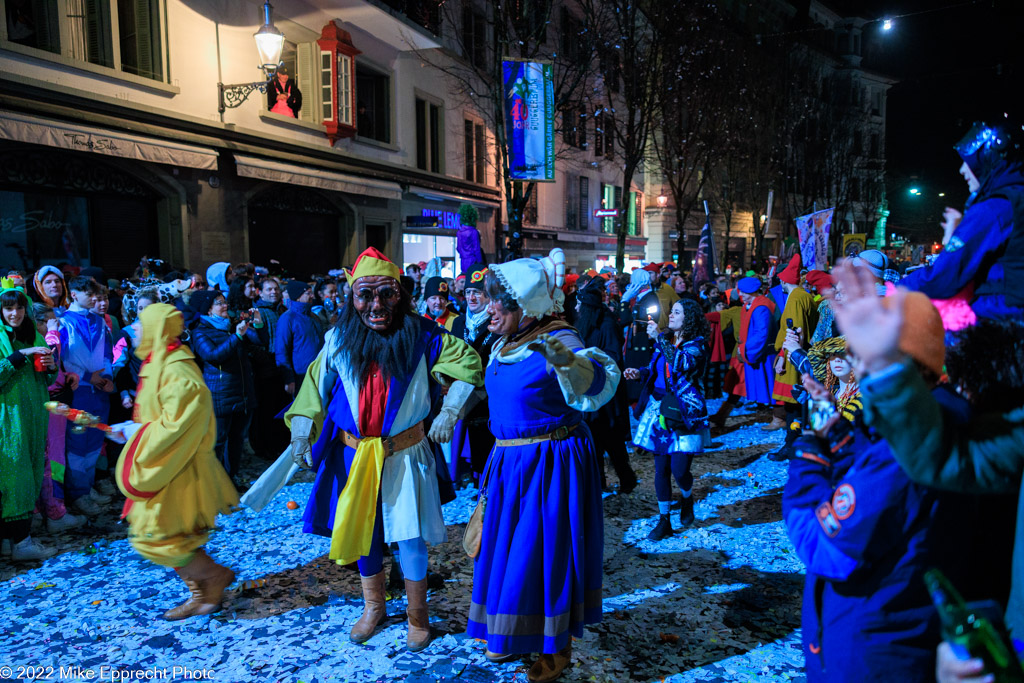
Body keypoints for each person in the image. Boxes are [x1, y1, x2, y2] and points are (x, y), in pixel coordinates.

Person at [827, 261, 1024, 679]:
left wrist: (809, 470)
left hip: (883, 631)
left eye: (866, 360)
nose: (857, 369)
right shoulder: (950, 425)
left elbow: (835, 541)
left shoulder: (951, 419)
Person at [286, 247, 483, 652]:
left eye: (386, 294)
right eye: (366, 294)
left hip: (405, 455)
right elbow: (313, 385)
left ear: (401, 295)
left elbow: (468, 363)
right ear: (351, 297)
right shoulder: (338, 338)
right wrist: (301, 430)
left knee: (409, 537)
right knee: (365, 533)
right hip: (354, 457)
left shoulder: (425, 335)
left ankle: (417, 617)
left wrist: (449, 410)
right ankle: (373, 607)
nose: (376, 305)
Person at [468, 248, 618, 682]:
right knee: (506, 551)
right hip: (509, 464)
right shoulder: (505, 340)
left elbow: (597, 381)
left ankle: (557, 645)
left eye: (501, 301)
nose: (490, 307)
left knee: (544, 553)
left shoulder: (557, 338)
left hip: (549, 467)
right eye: (490, 298)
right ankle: (511, 630)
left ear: (527, 306)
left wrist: (571, 363)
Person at [110, 303, 239, 620]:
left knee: (162, 536)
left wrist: (137, 433)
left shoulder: (177, 369)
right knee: (162, 535)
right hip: (165, 462)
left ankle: (213, 579)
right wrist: (133, 431)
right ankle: (203, 592)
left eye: (141, 323)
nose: (135, 329)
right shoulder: (157, 362)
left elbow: (181, 424)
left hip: (177, 467)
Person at [899, 120, 1024, 321]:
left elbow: (943, 277)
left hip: (1000, 323)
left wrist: (893, 290)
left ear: (989, 158)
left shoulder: (993, 210)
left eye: (970, 161)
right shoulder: (1016, 200)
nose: (962, 170)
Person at [626, 298, 710, 540]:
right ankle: (664, 521)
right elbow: (655, 368)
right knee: (661, 468)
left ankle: (687, 496)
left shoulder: (697, 344)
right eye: (671, 311)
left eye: (677, 312)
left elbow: (681, 363)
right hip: (659, 411)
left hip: (683, 413)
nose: (671, 316)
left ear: (689, 318)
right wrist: (639, 373)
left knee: (679, 469)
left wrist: (659, 339)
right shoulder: (666, 340)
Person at [0, 280, 58, 561]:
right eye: (8, 308)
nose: (14, 314)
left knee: (32, 470)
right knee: (13, 475)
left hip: (33, 416)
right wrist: (18, 356)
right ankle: (21, 543)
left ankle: (13, 539)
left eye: (19, 307)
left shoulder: (33, 334)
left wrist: (50, 367)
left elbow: (47, 375)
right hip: (8, 421)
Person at [189, 290, 265, 484]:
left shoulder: (231, 326)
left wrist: (256, 324)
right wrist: (236, 336)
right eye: (219, 303)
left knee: (238, 438)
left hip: (243, 391)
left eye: (225, 302)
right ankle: (215, 482)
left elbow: (260, 342)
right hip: (220, 394)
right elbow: (213, 356)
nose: (225, 306)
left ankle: (233, 477)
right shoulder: (200, 332)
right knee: (219, 440)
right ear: (208, 309)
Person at [59, 276, 114, 517]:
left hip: (99, 392)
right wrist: (85, 376)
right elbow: (63, 357)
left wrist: (108, 377)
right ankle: (78, 493)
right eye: (87, 293)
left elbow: (107, 355)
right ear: (73, 294)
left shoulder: (100, 321)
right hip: (78, 391)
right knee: (77, 444)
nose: (93, 297)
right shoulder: (62, 321)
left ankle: (87, 487)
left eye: (94, 293)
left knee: (94, 441)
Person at [576, 278, 637, 493]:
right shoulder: (584, 323)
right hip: (591, 390)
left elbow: (613, 357)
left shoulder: (607, 323)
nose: (576, 308)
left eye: (579, 305)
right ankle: (598, 480)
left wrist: (590, 363)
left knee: (611, 438)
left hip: (607, 391)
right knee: (594, 437)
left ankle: (626, 477)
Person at [30, 303, 85, 533]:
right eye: (47, 321)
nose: (54, 325)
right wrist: (53, 332)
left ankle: (41, 513)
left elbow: (55, 369)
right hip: (48, 407)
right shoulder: (37, 340)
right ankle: (55, 513)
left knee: (49, 459)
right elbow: (47, 362)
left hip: (53, 403)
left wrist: (66, 375)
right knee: (53, 460)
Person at [448, 264, 498, 481]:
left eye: (477, 292)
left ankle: (485, 484)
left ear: (487, 296)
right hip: (462, 395)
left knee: (485, 447)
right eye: (468, 292)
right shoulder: (459, 323)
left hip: (486, 397)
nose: (471, 297)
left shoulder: (496, 322)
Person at [734, 276, 777, 414]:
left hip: (761, 352)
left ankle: (769, 407)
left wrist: (746, 349)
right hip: (755, 349)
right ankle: (762, 403)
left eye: (743, 291)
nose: (740, 294)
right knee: (760, 379)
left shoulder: (761, 308)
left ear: (751, 292)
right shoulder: (753, 305)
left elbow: (761, 333)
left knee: (764, 378)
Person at [275, 280, 326, 397]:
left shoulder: (314, 317)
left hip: (318, 372)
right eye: (308, 293)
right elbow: (281, 350)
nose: (312, 296)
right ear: (298, 297)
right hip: (301, 375)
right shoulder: (287, 319)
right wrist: (288, 379)